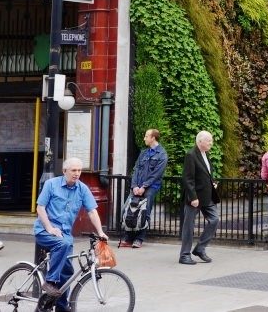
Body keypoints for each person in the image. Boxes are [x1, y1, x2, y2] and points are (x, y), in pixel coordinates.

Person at [33, 157, 108, 312]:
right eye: (73, 170)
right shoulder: (51, 184)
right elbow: (40, 208)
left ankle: (60, 306)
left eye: (79, 170)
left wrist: (100, 231)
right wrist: (49, 228)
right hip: (44, 231)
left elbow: (92, 211)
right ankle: (50, 282)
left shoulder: (82, 189)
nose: (77, 173)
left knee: (67, 271)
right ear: (64, 171)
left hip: (65, 235)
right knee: (63, 244)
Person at [122, 128, 168, 248]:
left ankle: (139, 239)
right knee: (127, 209)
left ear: (153, 138)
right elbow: (136, 169)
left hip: (150, 187)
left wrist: (144, 186)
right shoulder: (144, 152)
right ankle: (128, 238)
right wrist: (134, 186)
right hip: (137, 187)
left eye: (147, 136)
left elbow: (157, 174)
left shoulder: (162, 154)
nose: (144, 138)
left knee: (144, 212)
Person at [179, 130, 219, 265]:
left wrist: (212, 182)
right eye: (209, 140)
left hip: (207, 195)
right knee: (188, 226)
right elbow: (187, 178)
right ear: (200, 141)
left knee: (214, 219)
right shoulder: (191, 155)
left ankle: (200, 248)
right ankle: (184, 255)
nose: (211, 143)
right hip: (195, 197)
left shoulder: (206, 154)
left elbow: (205, 173)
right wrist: (193, 197)